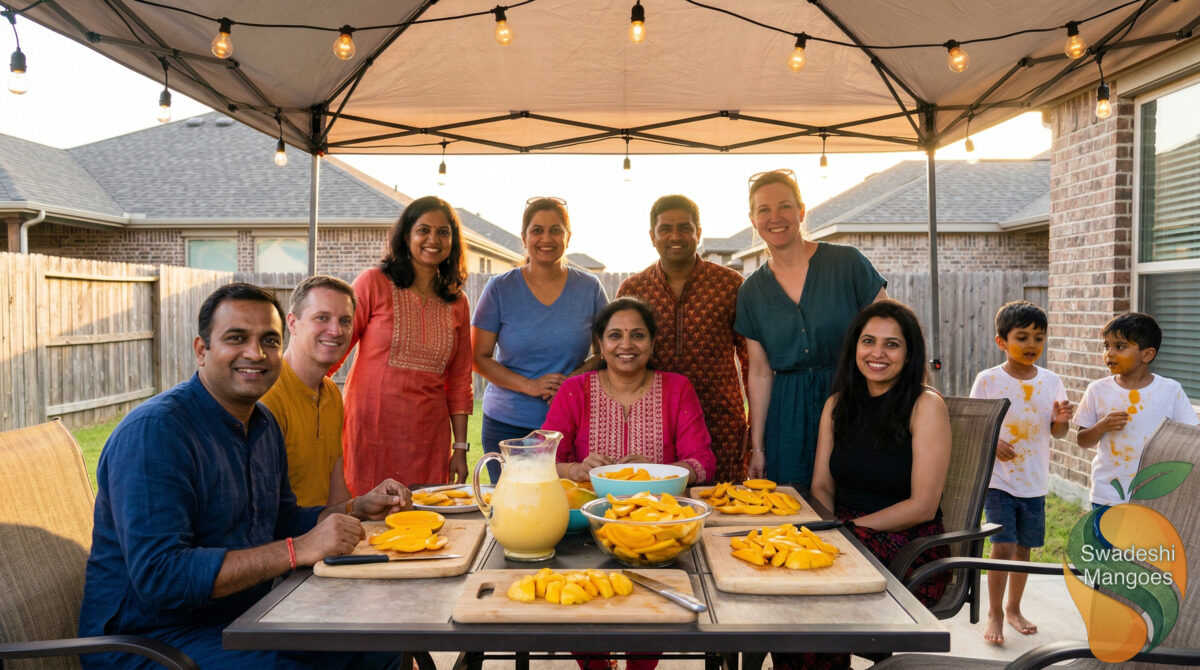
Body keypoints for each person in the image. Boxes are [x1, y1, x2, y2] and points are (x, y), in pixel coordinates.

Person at [79, 283, 410, 669]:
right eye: (237, 338)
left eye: (269, 340)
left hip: (240, 621)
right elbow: (161, 576)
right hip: (147, 641)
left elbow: (283, 521)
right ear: (201, 350)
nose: (256, 353)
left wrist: (355, 508)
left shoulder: (262, 424)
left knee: (378, 640)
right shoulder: (156, 433)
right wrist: (296, 549)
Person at [792, 300, 951, 670]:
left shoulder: (925, 405)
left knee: (812, 593)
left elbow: (923, 505)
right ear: (855, 348)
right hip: (844, 535)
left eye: (892, 344)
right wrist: (830, 535)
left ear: (909, 354)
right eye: (868, 341)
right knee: (790, 578)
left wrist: (844, 534)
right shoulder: (837, 405)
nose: (877, 353)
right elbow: (822, 486)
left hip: (909, 549)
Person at [736, 169, 887, 489]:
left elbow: (892, 334)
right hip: (787, 419)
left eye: (784, 206)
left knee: (855, 499)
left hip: (853, 402)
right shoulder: (751, 292)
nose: (775, 217)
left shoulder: (848, 264)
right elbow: (760, 374)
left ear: (801, 210)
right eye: (764, 209)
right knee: (793, 512)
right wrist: (758, 447)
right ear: (753, 219)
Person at [339, 196, 474, 491]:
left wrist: (460, 448)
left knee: (424, 519)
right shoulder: (373, 282)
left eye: (443, 232)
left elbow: (460, 379)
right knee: (363, 519)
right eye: (423, 230)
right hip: (371, 431)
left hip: (428, 437)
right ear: (406, 236)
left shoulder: (457, 302)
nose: (433, 239)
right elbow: (335, 348)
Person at [473, 197, 607, 483]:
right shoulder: (499, 288)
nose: (546, 238)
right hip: (507, 425)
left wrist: (571, 382)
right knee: (513, 509)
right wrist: (531, 386)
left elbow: (605, 352)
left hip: (569, 422)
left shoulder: (590, 288)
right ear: (524, 238)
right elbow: (477, 357)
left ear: (568, 237)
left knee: (566, 505)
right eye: (537, 230)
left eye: (556, 230)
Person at [617, 195, 749, 482]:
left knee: (722, 504)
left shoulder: (729, 285)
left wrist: (751, 428)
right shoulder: (634, 288)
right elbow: (616, 357)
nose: (675, 236)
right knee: (655, 504)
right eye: (665, 229)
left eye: (685, 228)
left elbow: (750, 361)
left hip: (720, 420)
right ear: (652, 236)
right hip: (653, 422)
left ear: (698, 233)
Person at [969, 300, 1073, 645]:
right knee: (1003, 545)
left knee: (1024, 549)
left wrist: (1061, 420)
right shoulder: (988, 380)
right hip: (999, 481)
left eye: (1039, 338)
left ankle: (1014, 608)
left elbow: (1057, 433)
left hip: (1034, 482)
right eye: (1022, 337)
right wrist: (992, 442)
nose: (1032, 345)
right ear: (1002, 341)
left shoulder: (1052, 381)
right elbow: (975, 428)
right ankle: (995, 611)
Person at [544, 297, 716, 487]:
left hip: (659, 509)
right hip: (589, 510)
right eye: (615, 336)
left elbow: (703, 464)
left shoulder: (677, 389)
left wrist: (655, 473)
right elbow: (542, 460)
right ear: (601, 344)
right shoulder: (574, 391)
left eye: (638, 335)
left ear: (652, 343)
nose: (626, 345)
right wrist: (574, 470)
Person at [1076, 313, 1198, 509]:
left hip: (1155, 494)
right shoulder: (1097, 390)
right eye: (1106, 346)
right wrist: (1102, 427)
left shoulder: (1169, 390)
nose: (1110, 353)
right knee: (1106, 541)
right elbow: (1082, 440)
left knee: (1147, 541)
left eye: (1120, 347)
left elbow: (1192, 436)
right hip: (1108, 494)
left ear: (1147, 354)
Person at [260, 275, 356, 507]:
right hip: (285, 541)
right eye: (322, 318)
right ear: (292, 323)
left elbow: (337, 495)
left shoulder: (332, 393)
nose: (336, 330)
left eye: (345, 321)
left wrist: (363, 506)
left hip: (324, 534)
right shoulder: (267, 395)